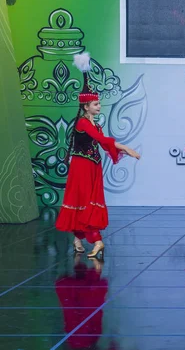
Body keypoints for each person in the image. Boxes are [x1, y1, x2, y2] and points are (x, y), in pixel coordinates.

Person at [55, 53, 140, 258]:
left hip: (93, 166)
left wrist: (119, 149)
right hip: (82, 166)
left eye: (99, 103)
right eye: (95, 104)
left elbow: (104, 144)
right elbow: (101, 140)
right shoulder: (83, 123)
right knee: (82, 200)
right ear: (86, 107)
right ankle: (97, 241)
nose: (99, 106)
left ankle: (77, 239)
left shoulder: (96, 123)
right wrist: (125, 148)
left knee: (86, 201)